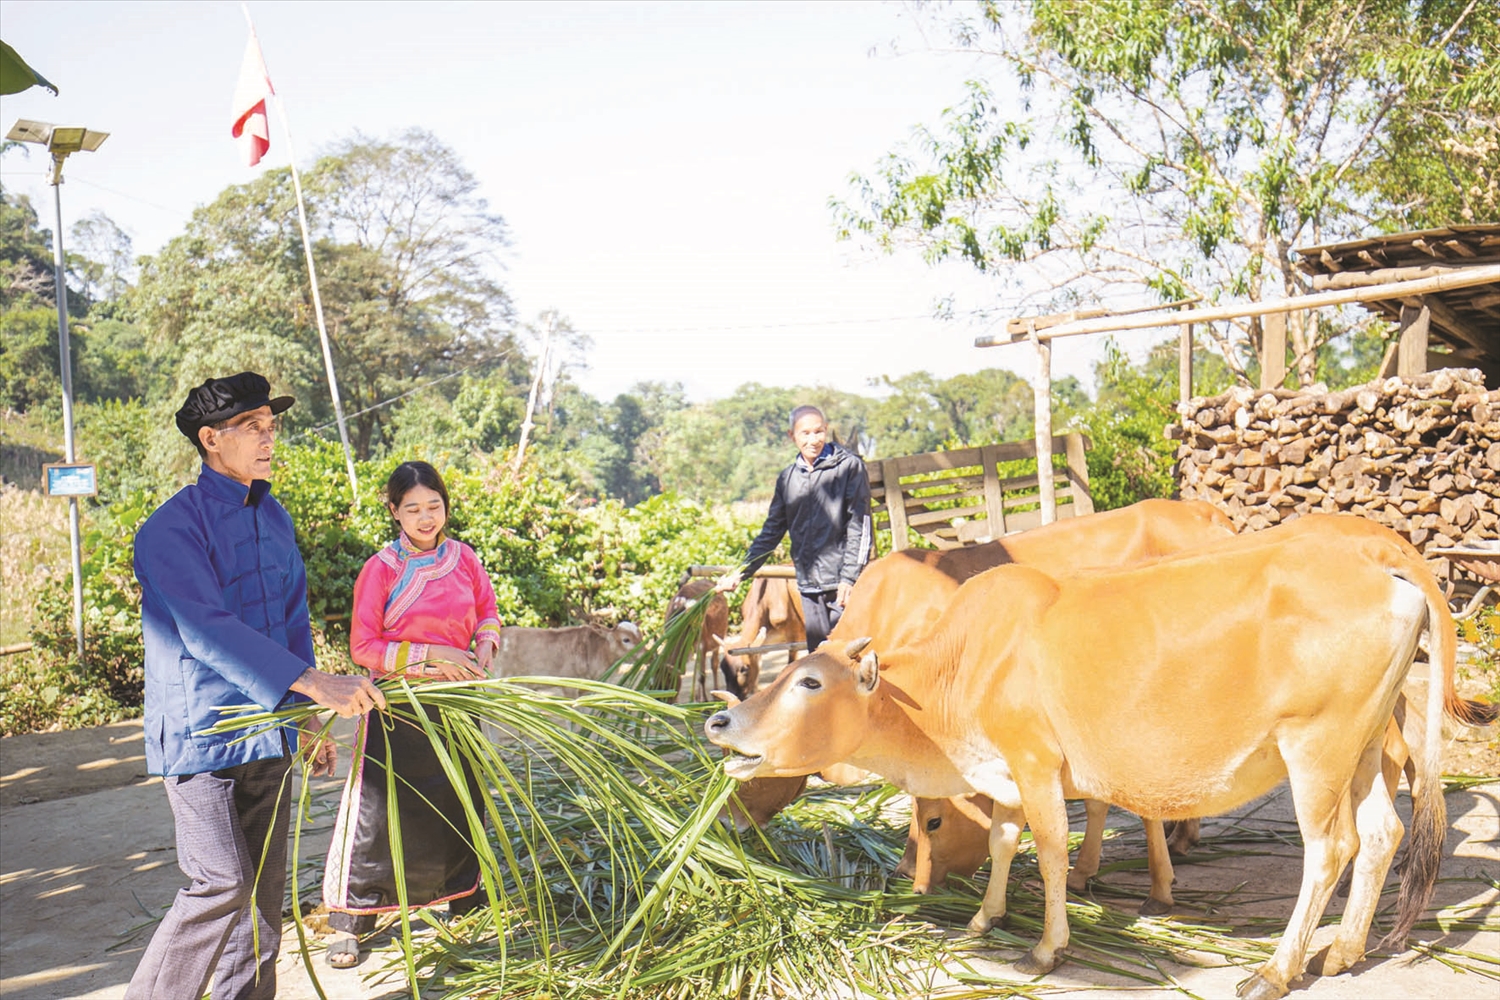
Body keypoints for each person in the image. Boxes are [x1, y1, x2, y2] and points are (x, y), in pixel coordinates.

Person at [127, 372, 387, 1000]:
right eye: (253, 428)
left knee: (264, 901)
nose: (269, 439)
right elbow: (204, 628)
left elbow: (290, 620)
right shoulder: (170, 529)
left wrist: (301, 718)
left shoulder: (273, 518)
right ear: (211, 438)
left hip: (268, 731)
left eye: (272, 426)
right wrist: (315, 682)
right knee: (218, 884)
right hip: (202, 736)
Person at [322, 460, 501, 968]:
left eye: (435, 506)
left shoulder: (464, 558)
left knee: (457, 802)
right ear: (395, 512)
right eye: (414, 509)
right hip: (398, 707)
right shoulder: (382, 568)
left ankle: (461, 899)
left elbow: (487, 611)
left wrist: (484, 646)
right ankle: (353, 917)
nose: (426, 518)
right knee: (379, 815)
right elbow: (364, 646)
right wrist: (436, 657)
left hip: (458, 703)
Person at [717, 405, 872, 653]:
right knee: (820, 659)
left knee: (849, 657)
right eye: (805, 433)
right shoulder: (788, 479)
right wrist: (740, 572)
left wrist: (849, 578)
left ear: (826, 430)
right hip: (809, 588)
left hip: (843, 587)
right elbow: (771, 532)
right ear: (792, 436)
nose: (814, 440)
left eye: (819, 432)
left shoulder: (849, 468)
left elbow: (861, 526)